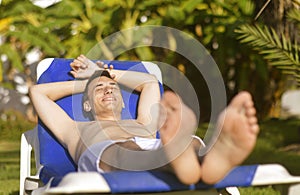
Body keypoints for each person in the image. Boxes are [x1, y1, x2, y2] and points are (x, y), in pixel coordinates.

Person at [29, 54, 259, 185]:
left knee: (189, 141)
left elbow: (149, 82)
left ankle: (206, 160)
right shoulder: (75, 128)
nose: (109, 90)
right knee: (127, 149)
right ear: (86, 105)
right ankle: (181, 159)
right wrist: (87, 81)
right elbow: (38, 93)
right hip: (107, 154)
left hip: (156, 148)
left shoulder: (142, 122)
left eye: (113, 88)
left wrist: (101, 75)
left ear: (121, 101)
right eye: (99, 89)